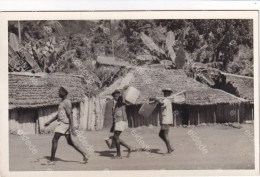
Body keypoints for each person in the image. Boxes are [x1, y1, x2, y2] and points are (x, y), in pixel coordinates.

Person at [44, 86, 88, 164]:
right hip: (63, 124)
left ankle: (52, 160)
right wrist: (49, 122)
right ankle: (84, 154)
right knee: (70, 142)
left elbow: (70, 114)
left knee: (54, 139)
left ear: (64, 93)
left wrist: (72, 128)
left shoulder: (67, 102)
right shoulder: (62, 102)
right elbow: (59, 115)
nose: (58, 93)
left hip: (64, 124)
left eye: (60, 92)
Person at [108, 87, 136, 159]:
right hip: (118, 122)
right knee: (115, 137)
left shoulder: (121, 102)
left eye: (117, 95)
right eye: (114, 96)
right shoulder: (116, 104)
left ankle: (119, 155)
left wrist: (123, 89)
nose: (115, 97)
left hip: (121, 122)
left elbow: (121, 97)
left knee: (116, 137)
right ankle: (129, 148)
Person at [151, 88, 174, 155]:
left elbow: (161, 103)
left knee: (165, 134)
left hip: (166, 119)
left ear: (168, 93)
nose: (164, 93)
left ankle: (169, 151)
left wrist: (155, 99)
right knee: (161, 134)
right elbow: (160, 103)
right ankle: (170, 147)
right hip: (165, 119)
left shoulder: (167, 100)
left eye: (166, 92)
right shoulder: (166, 100)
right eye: (164, 92)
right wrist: (155, 100)